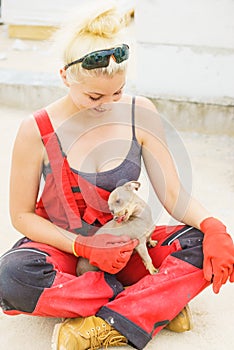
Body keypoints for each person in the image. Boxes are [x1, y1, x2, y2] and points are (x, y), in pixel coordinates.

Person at [0, 2, 234, 350]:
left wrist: (214, 227)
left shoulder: (141, 112)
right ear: (64, 75)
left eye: (117, 92)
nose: (107, 104)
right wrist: (83, 246)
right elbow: (21, 215)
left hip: (128, 244)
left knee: (199, 246)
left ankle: (99, 318)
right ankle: (150, 305)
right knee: (12, 277)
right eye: (94, 95)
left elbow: (172, 193)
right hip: (67, 250)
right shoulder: (35, 130)